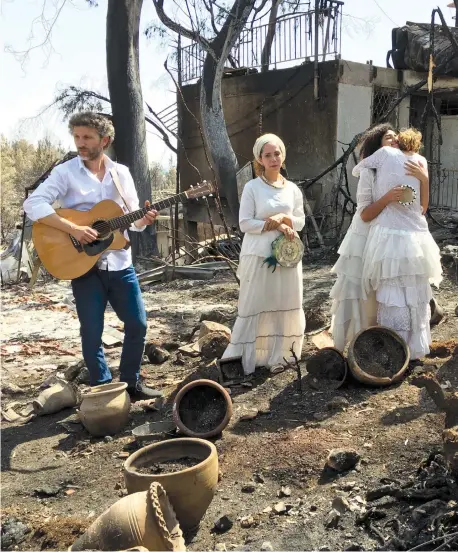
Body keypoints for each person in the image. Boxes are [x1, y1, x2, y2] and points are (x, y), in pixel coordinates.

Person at [23, 112, 162, 399]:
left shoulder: (120, 173)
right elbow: (33, 203)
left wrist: (143, 220)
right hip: (82, 265)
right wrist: (72, 228)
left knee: (137, 324)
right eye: (76, 137)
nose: (80, 143)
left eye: (87, 137)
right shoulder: (66, 173)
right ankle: (102, 389)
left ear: (105, 140)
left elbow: (131, 220)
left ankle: (131, 382)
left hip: (120, 263)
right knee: (92, 330)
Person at [350, 127, 442, 359]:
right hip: (402, 238)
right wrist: (394, 194)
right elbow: (421, 208)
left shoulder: (398, 160)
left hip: (401, 237)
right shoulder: (409, 163)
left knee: (405, 294)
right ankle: (405, 350)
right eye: (387, 137)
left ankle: (405, 350)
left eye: (394, 137)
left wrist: (420, 178)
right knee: (405, 295)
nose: (392, 140)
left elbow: (422, 208)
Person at [222, 133, 306, 374]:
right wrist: (274, 224)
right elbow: (245, 223)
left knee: (285, 302)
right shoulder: (252, 187)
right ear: (259, 159)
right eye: (267, 155)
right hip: (259, 254)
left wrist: (285, 219)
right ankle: (246, 358)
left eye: (277, 153)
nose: (273, 159)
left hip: (288, 255)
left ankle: (282, 355)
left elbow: (299, 222)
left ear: (283, 155)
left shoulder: (292, 189)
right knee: (256, 302)